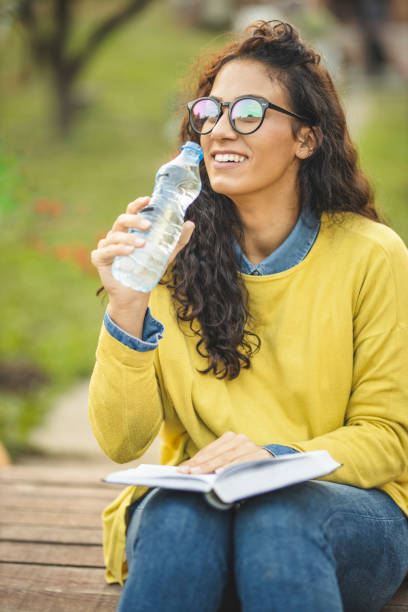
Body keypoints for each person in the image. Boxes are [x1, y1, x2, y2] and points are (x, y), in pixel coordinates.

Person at [89, 20, 408, 612]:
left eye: (249, 113)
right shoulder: (168, 250)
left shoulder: (372, 254)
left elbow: (389, 440)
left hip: (344, 513)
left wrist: (275, 460)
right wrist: (127, 303)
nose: (218, 130)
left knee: (278, 511)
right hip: (202, 509)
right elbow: (120, 440)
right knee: (178, 515)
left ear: (306, 139)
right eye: (210, 112)